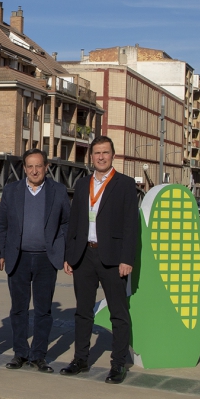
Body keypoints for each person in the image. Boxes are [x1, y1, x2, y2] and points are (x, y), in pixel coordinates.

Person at [61, 135, 139, 384]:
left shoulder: (125, 184)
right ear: (91, 157)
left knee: (118, 312)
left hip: (113, 258)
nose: (101, 157)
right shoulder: (83, 184)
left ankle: (118, 364)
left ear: (113, 155)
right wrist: (69, 255)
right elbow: (74, 222)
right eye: (97, 153)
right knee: (83, 312)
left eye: (105, 152)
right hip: (84, 256)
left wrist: (127, 258)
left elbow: (131, 225)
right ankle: (80, 359)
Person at [0, 149, 70, 373]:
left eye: (39, 166)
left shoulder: (58, 191)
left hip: (47, 259)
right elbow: (2, 224)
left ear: (46, 167)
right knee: (18, 309)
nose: (34, 170)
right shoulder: (12, 191)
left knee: (43, 310)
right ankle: (20, 353)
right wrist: (0, 252)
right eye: (30, 166)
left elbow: (67, 222)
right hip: (18, 258)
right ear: (24, 168)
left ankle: (38, 355)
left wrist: (62, 250)